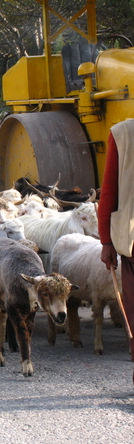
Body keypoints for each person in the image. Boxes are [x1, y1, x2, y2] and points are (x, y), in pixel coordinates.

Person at [98, 118, 134, 383]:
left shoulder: (124, 132)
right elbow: (109, 192)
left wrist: (107, 242)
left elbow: (108, 192)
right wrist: (106, 241)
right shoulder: (123, 133)